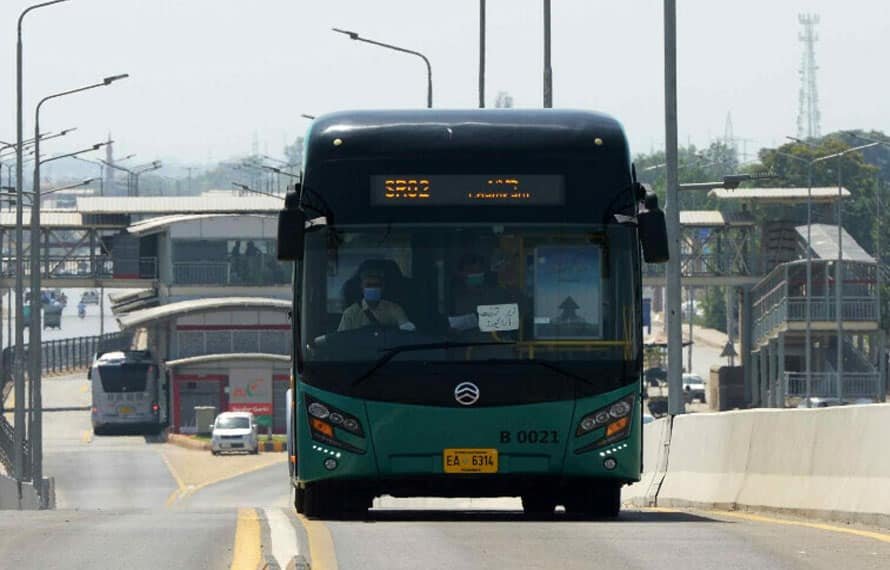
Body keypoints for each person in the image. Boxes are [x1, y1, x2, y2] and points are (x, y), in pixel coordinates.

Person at [448, 253, 515, 331]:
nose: (475, 275)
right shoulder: (455, 298)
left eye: (478, 271)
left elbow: (512, 316)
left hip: (493, 341)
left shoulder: (497, 293)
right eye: (470, 271)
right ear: (460, 274)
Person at [337, 263, 414, 332]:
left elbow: (407, 331)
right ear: (362, 287)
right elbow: (342, 341)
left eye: (376, 285)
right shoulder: (350, 314)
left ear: (382, 287)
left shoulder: (395, 309)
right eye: (369, 285)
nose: (373, 288)